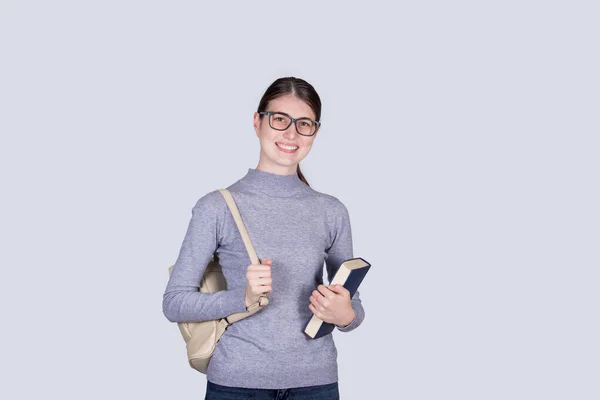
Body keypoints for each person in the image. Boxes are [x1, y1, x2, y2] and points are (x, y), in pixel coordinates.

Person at [162, 76, 365, 399]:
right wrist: (242, 297)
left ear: (316, 132)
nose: (291, 133)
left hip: (316, 383)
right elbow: (174, 303)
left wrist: (345, 315)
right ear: (258, 122)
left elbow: (351, 307)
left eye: (304, 124)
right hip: (237, 384)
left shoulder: (331, 211)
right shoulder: (216, 207)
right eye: (280, 119)